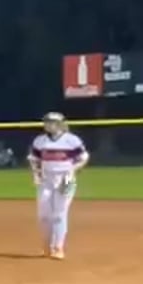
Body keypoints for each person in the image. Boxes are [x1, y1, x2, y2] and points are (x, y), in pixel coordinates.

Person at [29, 111, 88, 260]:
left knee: (60, 213)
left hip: (67, 178)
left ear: (60, 124)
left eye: (51, 122)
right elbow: (34, 159)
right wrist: (36, 174)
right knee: (43, 214)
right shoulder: (40, 141)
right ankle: (46, 245)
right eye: (46, 122)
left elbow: (83, 157)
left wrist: (73, 169)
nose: (48, 125)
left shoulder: (72, 140)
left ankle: (58, 247)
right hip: (46, 179)